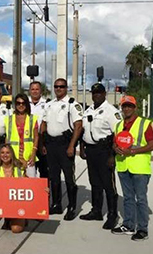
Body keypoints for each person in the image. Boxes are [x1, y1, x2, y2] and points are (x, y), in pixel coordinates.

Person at [111, 95, 153, 241]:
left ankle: (142, 229)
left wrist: (133, 151)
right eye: (124, 106)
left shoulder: (144, 123)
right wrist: (115, 148)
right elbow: (114, 143)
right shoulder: (118, 125)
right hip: (123, 166)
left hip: (139, 168)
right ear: (121, 108)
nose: (127, 108)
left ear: (135, 107)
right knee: (128, 198)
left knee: (141, 199)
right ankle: (128, 225)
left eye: (130, 106)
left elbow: (152, 145)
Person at [79, 83, 121, 229]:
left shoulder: (111, 111)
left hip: (105, 151)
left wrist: (112, 155)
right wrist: (82, 148)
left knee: (108, 184)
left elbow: (118, 133)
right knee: (94, 182)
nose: (96, 95)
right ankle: (96, 211)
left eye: (99, 92)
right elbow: (83, 131)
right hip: (91, 151)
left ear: (104, 94)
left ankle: (112, 214)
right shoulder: (88, 110)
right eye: (94, 92)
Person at [40, 78, 83, 221]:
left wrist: (72, 145)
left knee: (69, 177)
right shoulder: (49, 104)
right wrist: (43, 143)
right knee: (54, 177)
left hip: (65, 145)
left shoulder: (72, 105)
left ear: (66, 88)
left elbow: (78, 126)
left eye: (61, 86)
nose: (58, 89)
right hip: (51, 145)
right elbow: (44, 124)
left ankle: (71, 207)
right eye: (56, 86)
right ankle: (56, 204)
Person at [0, 144, 27, 233]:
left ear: (12, 154)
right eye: (2, 153)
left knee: (16, 229)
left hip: (18, 203)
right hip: (5, 203)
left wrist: (43, 190)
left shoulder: (19, 168)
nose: (5, 155)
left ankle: (24, 219)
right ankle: (7, 218)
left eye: (7, 153)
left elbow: (28, 186)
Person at [4, 93, 39, 177]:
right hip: (13, 157)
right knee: (14, 182)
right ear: (15, 104)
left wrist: (33, 153)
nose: (21, 105)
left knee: (30, 182)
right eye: (18, 103)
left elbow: (36, 137)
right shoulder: (8, 119)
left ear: (26, 104)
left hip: (28, 156)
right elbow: (7, 139)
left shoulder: (32, 118)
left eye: (23, 103)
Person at [29, 81, 49, 178]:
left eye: (37, 89)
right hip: (28, 142)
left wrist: (43, 143)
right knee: (30, 171)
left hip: (42, 141)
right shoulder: (24, 104)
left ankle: (45, 193)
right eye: (32, 89)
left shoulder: (47, 104)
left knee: (44, 171)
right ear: (29, 91)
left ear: (41, 91)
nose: (35, 91)